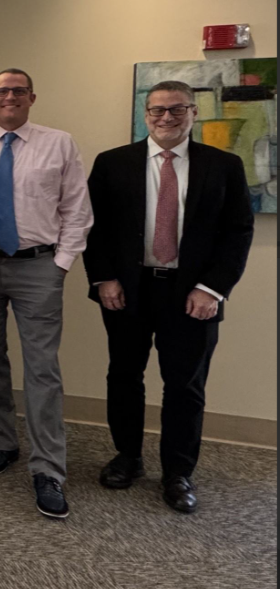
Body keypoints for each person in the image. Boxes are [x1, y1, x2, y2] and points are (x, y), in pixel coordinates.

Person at [85, 81, 254, 513]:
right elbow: (93, 227)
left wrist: (211, 288)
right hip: (127, 289)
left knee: (185, 385)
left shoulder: (224, 166)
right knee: (124, 375)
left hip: (192, 294)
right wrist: (104, 279)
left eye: (176, 110)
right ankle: (128, 457)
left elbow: (237, 233)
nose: (165, 118)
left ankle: (178, 472)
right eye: (157, 111)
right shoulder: (112, 163)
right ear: (146, 114)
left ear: (193, 113)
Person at [0, 68, 93, 519]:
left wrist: (60, 266)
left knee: (42, 369)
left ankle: (48, 468)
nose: (9, 97)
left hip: (39, 267)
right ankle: (2, 442)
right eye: (2, 91)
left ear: (32, 97)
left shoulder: (60, 143)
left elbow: (77, 210)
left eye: (18, 91)